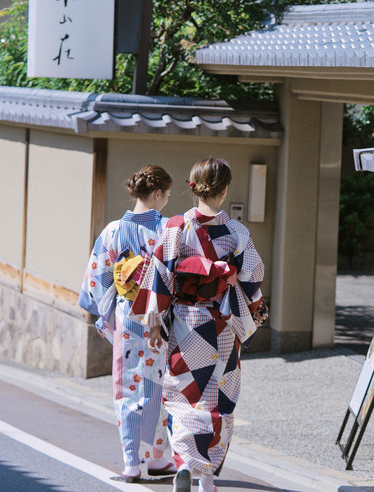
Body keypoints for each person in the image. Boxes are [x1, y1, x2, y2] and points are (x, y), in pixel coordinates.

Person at [131, 157, 266, 492]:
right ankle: (206, 480)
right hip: (222, 324)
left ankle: (184, 464)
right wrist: (257, 311)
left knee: (182, 394)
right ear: (225, 190)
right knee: (217, 399)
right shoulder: (236, 232)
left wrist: (153, 326)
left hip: (186, 324)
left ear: (193, 187)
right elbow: (251, 281)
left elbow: (160, 278)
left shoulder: (176, 227)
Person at [78, 165, 176, 482]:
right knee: (157, 385)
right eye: (167, 195)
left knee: (129, 388)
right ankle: (151, 457)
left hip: (127, 317)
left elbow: (98, 281)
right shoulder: (169, 231)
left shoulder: (112, 231)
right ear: (158, 193)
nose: (167, 201)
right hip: (162, 320)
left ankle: (142, 461)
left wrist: (112, 313)